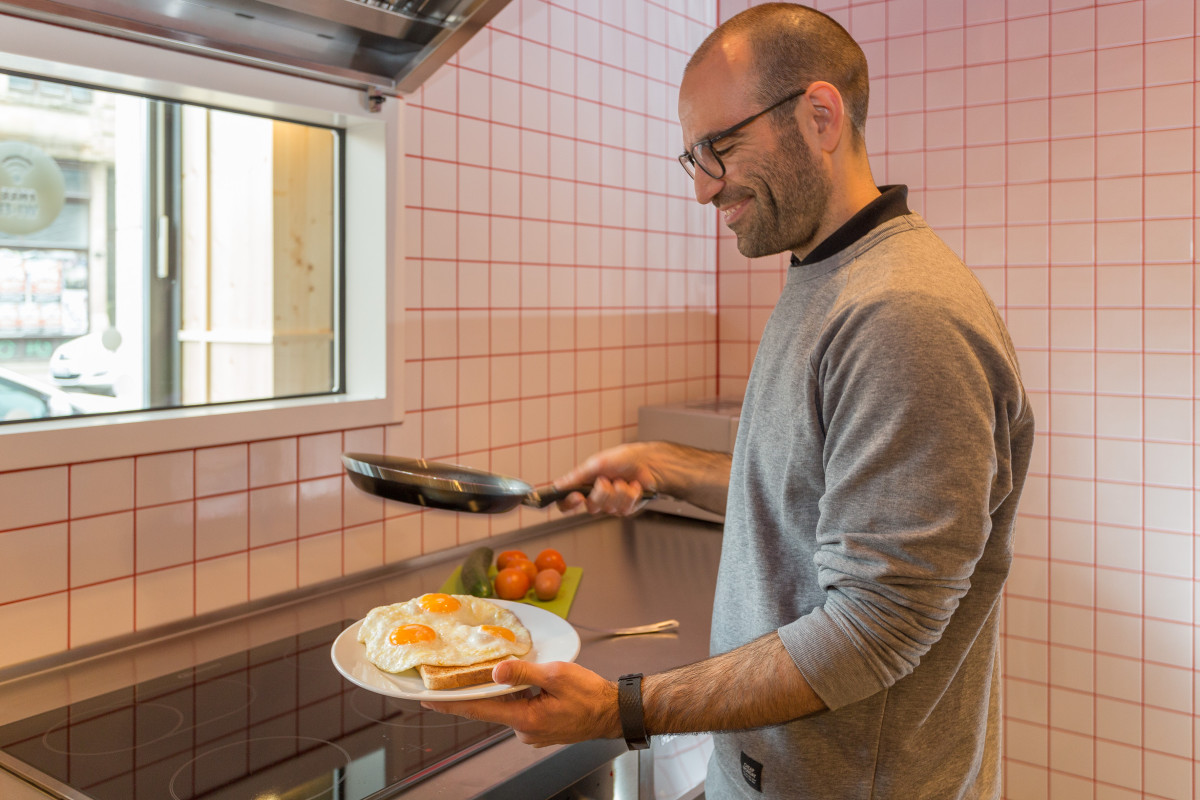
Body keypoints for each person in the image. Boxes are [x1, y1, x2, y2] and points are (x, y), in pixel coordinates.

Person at [423, 4, 1035, 798]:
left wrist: (621, 707)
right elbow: (811, 492)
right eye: (693, 157)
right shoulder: (825, 275)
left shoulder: (901, 314)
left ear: (820, 117)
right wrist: (665, 467)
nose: (704, 188)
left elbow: (875, 629)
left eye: (720, 147)